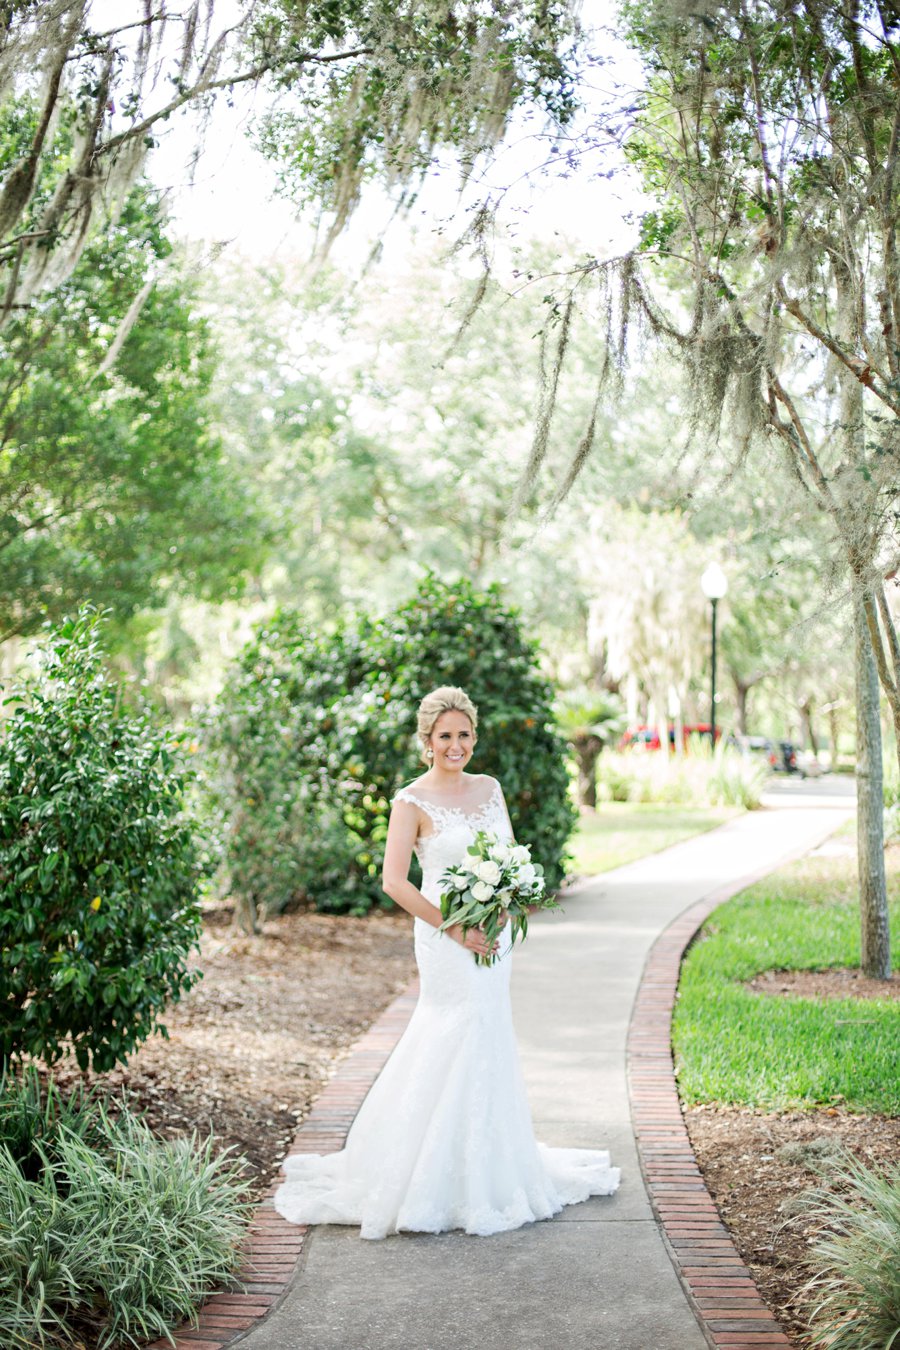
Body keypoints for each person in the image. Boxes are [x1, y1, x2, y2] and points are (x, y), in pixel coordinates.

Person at [273, 686, 619, 1240]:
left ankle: (488, 1165)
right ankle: (421, 1170)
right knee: (450, 1029)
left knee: (489, 1033)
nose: (454, 745)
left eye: (463, 735)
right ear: (426, 741)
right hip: (443, 936)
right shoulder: (410, 801)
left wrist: (506, 905)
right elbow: (393, 882)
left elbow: (506, 855)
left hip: (495, 935)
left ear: (473, 738)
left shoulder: (490, 789)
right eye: (444, 736)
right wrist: (456, 926)